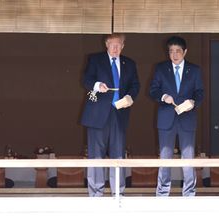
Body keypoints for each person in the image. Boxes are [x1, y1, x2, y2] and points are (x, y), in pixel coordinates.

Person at [81, 33, 140, 196]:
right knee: (95, 155)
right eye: (112, 44)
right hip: (98, 113)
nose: (115, 48)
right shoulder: (95, 59)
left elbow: (135, 85)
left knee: (118, 154)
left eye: (118, 45)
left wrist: (130, 96)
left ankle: (118, 193)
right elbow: (86, 79)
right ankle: (96, 193)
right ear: (106, 44)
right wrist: (97, 85)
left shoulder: (129, 63)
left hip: (119, 113)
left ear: (123, 46)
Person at [150, 36, 204, 196]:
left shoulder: (194, 70)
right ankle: (162, 193)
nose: (174, 55)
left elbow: (200, 92)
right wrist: (163, 96)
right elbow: (153, 90)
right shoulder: (160, 68)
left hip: (187, 118)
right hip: (166, 118)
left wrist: (193, 102)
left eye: (178, 51)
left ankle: (189, 193)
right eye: (171, 51)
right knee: (165, 158)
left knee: (188, 158)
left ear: (185, 52)